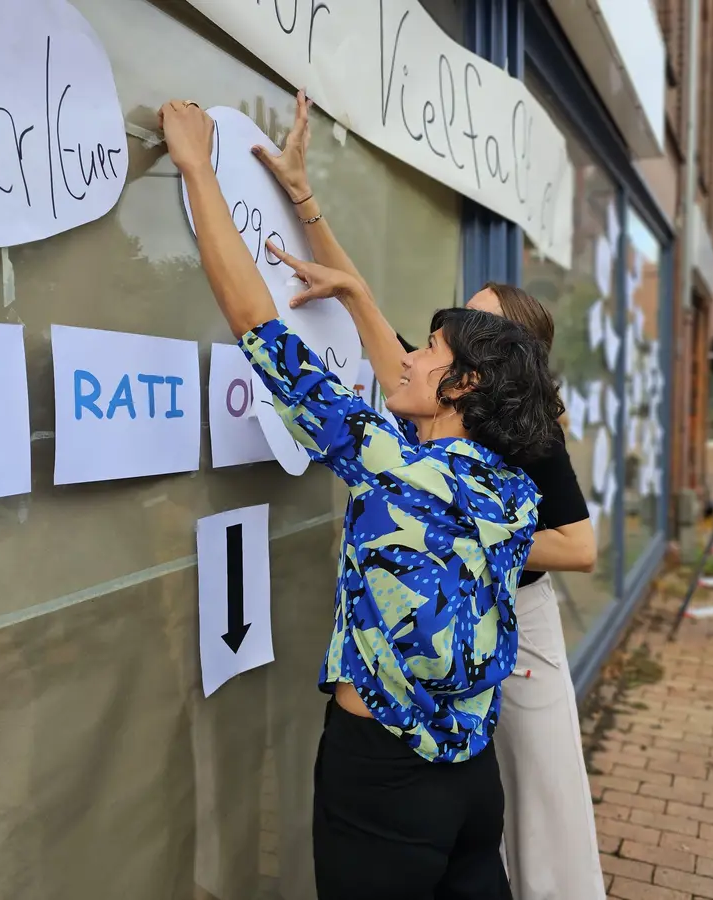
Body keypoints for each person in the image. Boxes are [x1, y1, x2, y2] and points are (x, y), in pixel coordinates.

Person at [159, 98, 565, 900]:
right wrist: (341, 273)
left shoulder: (391, 465)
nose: (408, 361)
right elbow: (397, 387)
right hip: (471, 779)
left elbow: (255, 320)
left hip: (381, 777)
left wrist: (200, 169)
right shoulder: (511, 487)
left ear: (464, 383)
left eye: (430, 351)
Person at [252, 90, 608, 900]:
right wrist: (308, 206)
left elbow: (582, 547)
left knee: (546, 818)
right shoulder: (448, 405)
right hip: (454, 636)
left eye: (471, 331)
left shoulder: (528, 432)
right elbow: (381, 338)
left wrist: (474, 532)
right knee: (477, 825)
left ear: (498, 366)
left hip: (515, 631)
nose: (435, 345)